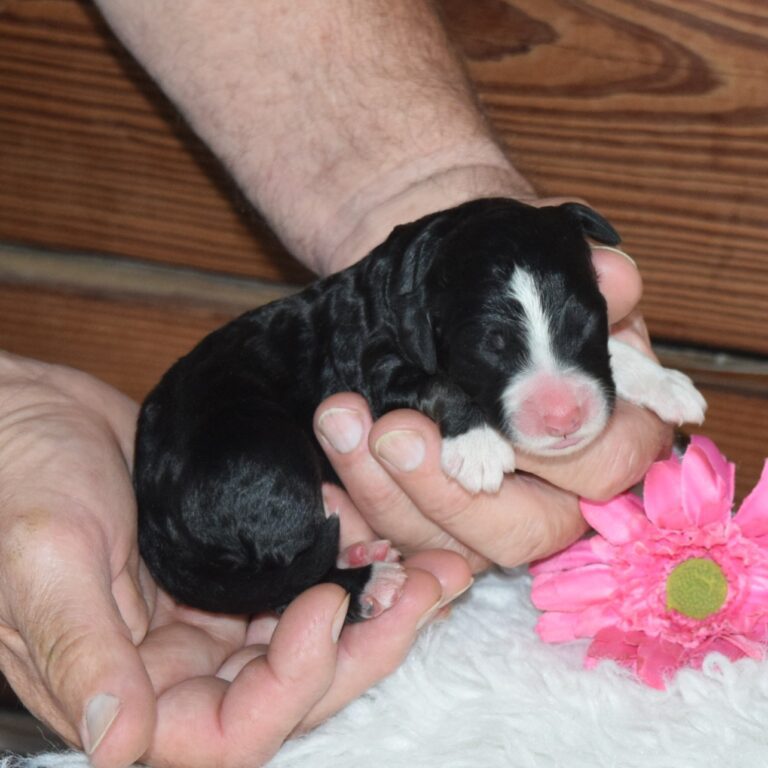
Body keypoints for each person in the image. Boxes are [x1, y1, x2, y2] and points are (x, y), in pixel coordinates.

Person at [0, 2, 672, 767]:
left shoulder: (415, 294)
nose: (559, 403)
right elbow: (399, 384)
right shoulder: (377, 335)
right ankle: (311, 564)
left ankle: (317, 561)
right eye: (495, 344)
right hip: (220, 448)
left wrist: (426, 183)